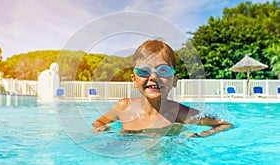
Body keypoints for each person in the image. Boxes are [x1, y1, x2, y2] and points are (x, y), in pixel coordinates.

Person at [92, 39, 234, 137]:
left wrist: (200, 135)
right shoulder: (123, 107)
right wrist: (101, 129)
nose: (153, 77)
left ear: (174, 80)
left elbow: (226, 124)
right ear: (134, 80)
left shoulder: (180, 113)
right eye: (144, 71)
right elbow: (98, 122)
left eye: (163, 71)